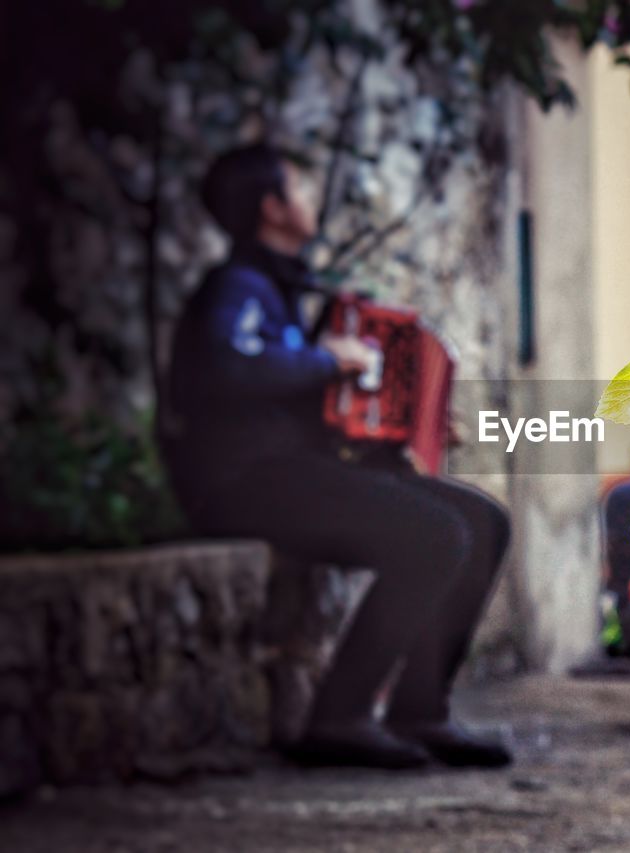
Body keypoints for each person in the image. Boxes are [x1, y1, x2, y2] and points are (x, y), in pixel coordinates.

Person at [162, 144, 511, 768]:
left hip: (293, 474)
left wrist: (409, 429)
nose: (307, 198)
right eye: (296, 188)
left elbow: (298, 411)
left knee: (484, 525)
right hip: (244, 485)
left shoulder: (277, 289)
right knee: (434, 536)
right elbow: (227, 370)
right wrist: (328, 360)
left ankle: (421, 712)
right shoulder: (236, 287)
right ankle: (341, 718)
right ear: (271, 208)